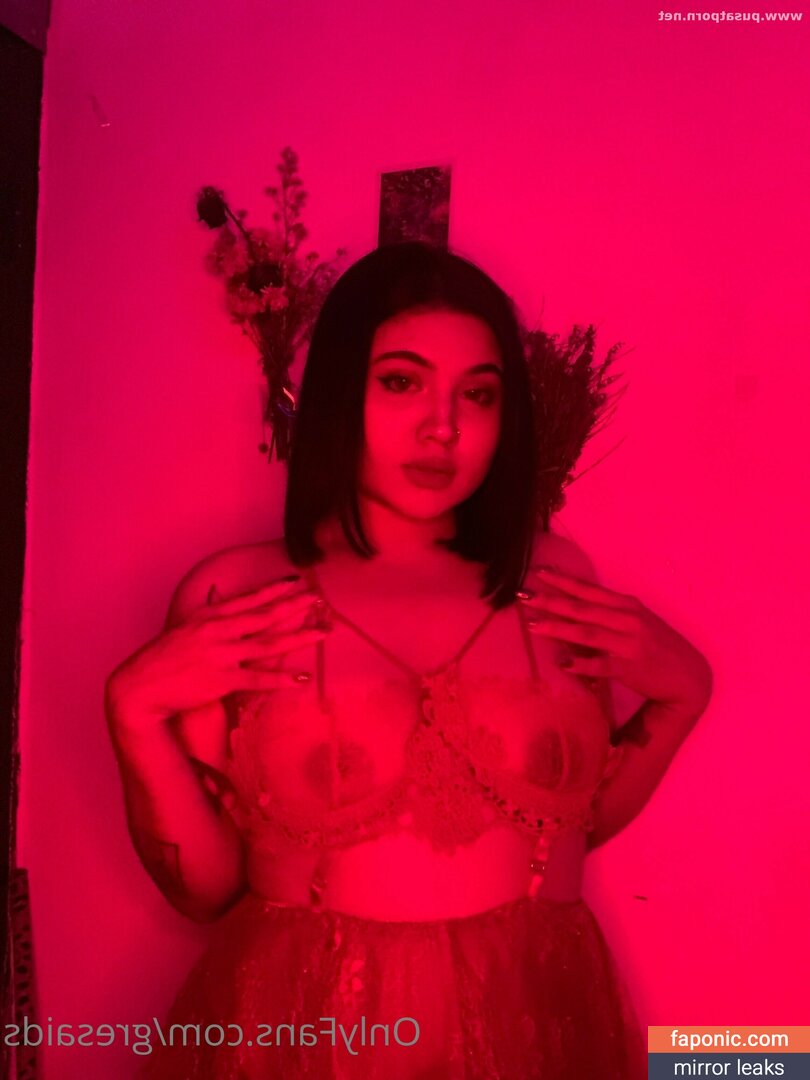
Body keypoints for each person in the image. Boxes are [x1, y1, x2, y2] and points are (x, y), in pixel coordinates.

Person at [104, 242, 713, 1078]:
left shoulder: (554, 580)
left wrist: (682, 700)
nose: (443, 427)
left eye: (479, 394)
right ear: (338, 391)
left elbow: (566, 829)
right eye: (400, 382)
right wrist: (133, 714)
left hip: (536, 1022)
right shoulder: (239, 594)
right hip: (312, 1034)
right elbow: (203, 893)